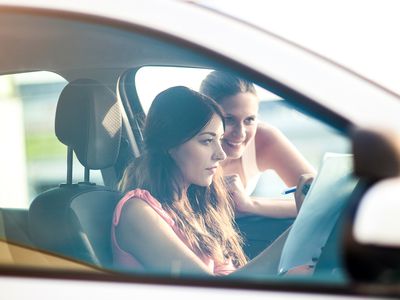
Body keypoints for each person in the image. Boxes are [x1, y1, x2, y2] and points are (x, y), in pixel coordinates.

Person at [112, 86, 292, 276]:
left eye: (219, 139)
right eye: (207, 141)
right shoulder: (137, 213)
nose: (221, 154)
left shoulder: (195, 207)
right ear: (170, 144)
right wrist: (293, 239)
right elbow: (211, 292)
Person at [200, 71, 316, 219]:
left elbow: (318, 202)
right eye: (229, 119)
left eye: (249, 120)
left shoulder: (263, 139)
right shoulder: (187, 145)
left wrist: (250, 205)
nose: (240, 133)